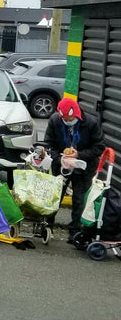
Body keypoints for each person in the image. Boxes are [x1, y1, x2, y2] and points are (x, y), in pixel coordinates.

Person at [44, 97, 106, 241]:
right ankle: (47, 225)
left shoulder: (91, 123)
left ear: (77, 114)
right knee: (55, 196)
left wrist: (79, 155)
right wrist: (60, 159)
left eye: (70, 118)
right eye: (64, 118)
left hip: (84, 167)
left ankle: (75, 232)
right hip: (61, 165)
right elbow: (49, 144)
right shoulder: (55, 121)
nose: (67, 120)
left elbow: (99, 147)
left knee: (79, 200)